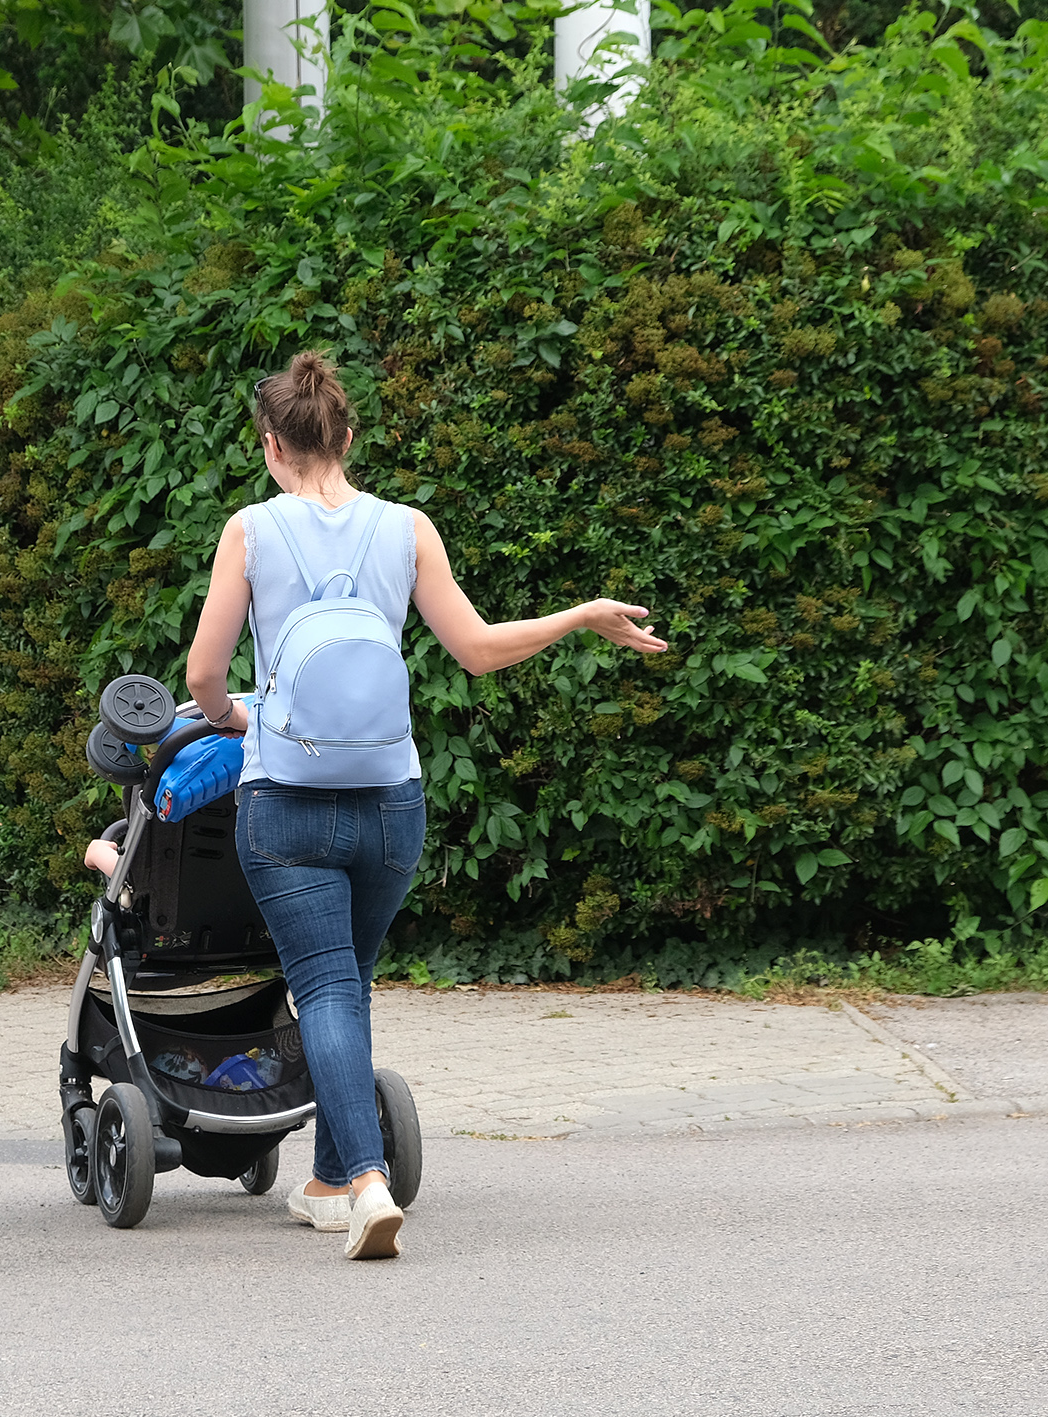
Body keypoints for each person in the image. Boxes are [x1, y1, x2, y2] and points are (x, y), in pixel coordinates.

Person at [183, 351, 670, 1260]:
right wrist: (577, 614)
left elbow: (205, 674)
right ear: (349, 437)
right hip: (390, 804)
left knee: (325, 985)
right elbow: (478, 648)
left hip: (286, 802)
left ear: (270, 447)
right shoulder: (406, 528)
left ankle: (365, 1181)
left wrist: (234, 717)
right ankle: (330, 1180)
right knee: (347, 985)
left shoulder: (249, 530)